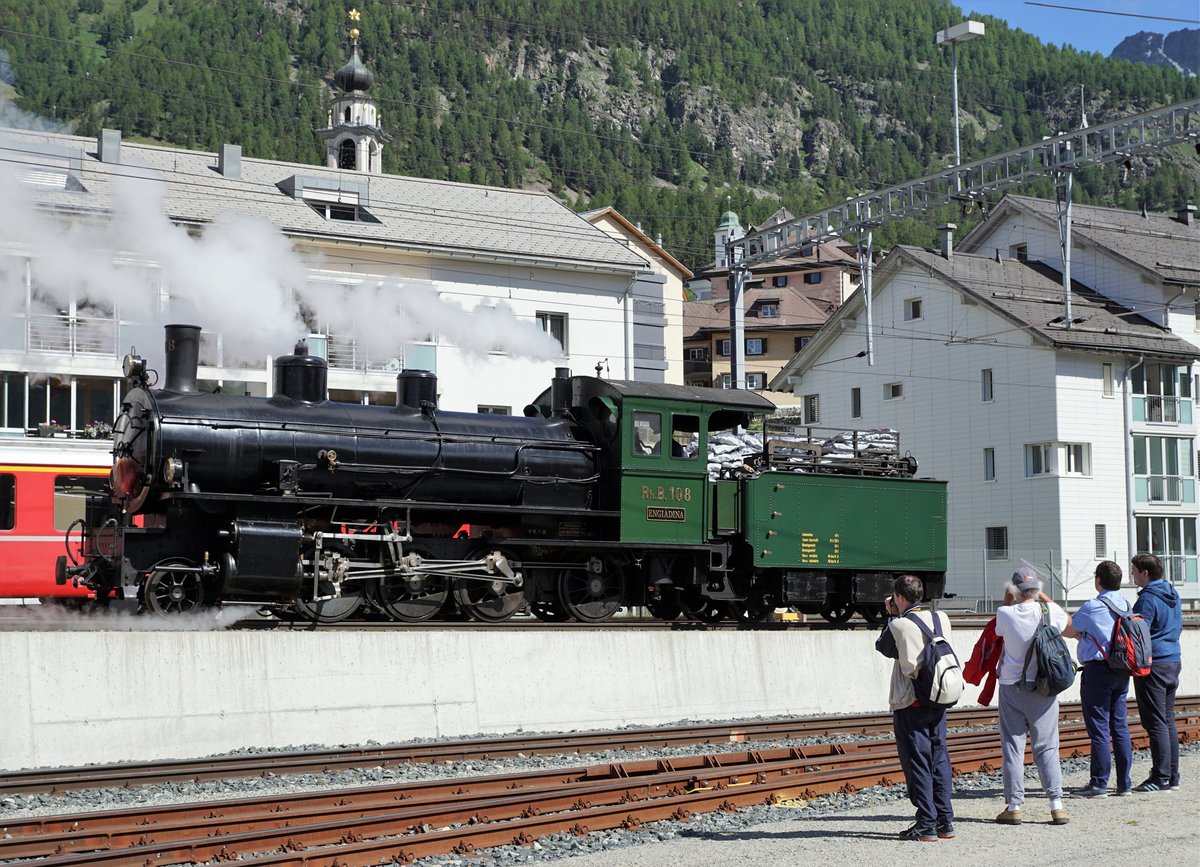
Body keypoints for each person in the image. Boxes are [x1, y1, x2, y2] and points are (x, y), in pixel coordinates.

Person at [874, 574, 956, 842]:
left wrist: (889, 615)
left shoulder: (899, 625)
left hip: (912, 702)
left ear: (899, 597)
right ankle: (945, 821)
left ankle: (925, 824)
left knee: (917, 761)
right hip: (939, 696)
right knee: (938, 756)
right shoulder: (941, 618)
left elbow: (884, 646)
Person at [993, 567, 1071, 826]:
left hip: (1011, 688)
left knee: (1013, 748)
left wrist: (1009, 599)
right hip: (1043, 689)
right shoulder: (1051, 612)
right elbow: (1065, 619)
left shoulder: (1005, 613)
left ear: (1014, 591)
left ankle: (1014, 806)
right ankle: (1056, 805)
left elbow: (999, 632)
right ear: (1037, 590)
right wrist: (1044, 597)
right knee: (1047, 746)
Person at [1062, 561, 1133, 797]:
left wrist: (1080, 631)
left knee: (1100, 728)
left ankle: (1099, 783)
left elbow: (1069, 630)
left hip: (1098, 671)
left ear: (1098, 580)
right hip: (1122, 669)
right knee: (1120, 727)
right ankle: (1124, 784)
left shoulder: (1093, 606)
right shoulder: (1126, 604)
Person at [1130, 553, 1183, 792]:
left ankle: (1160, 777)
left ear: (1145, 573)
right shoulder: (1173, 595)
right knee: (1167, 720)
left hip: (1154, 664)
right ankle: (1172, 775)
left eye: (1134, 570)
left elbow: (1139, 634)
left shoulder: (1147, 599)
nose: (1132, 574)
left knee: (1155, 722)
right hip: (1173, 659)